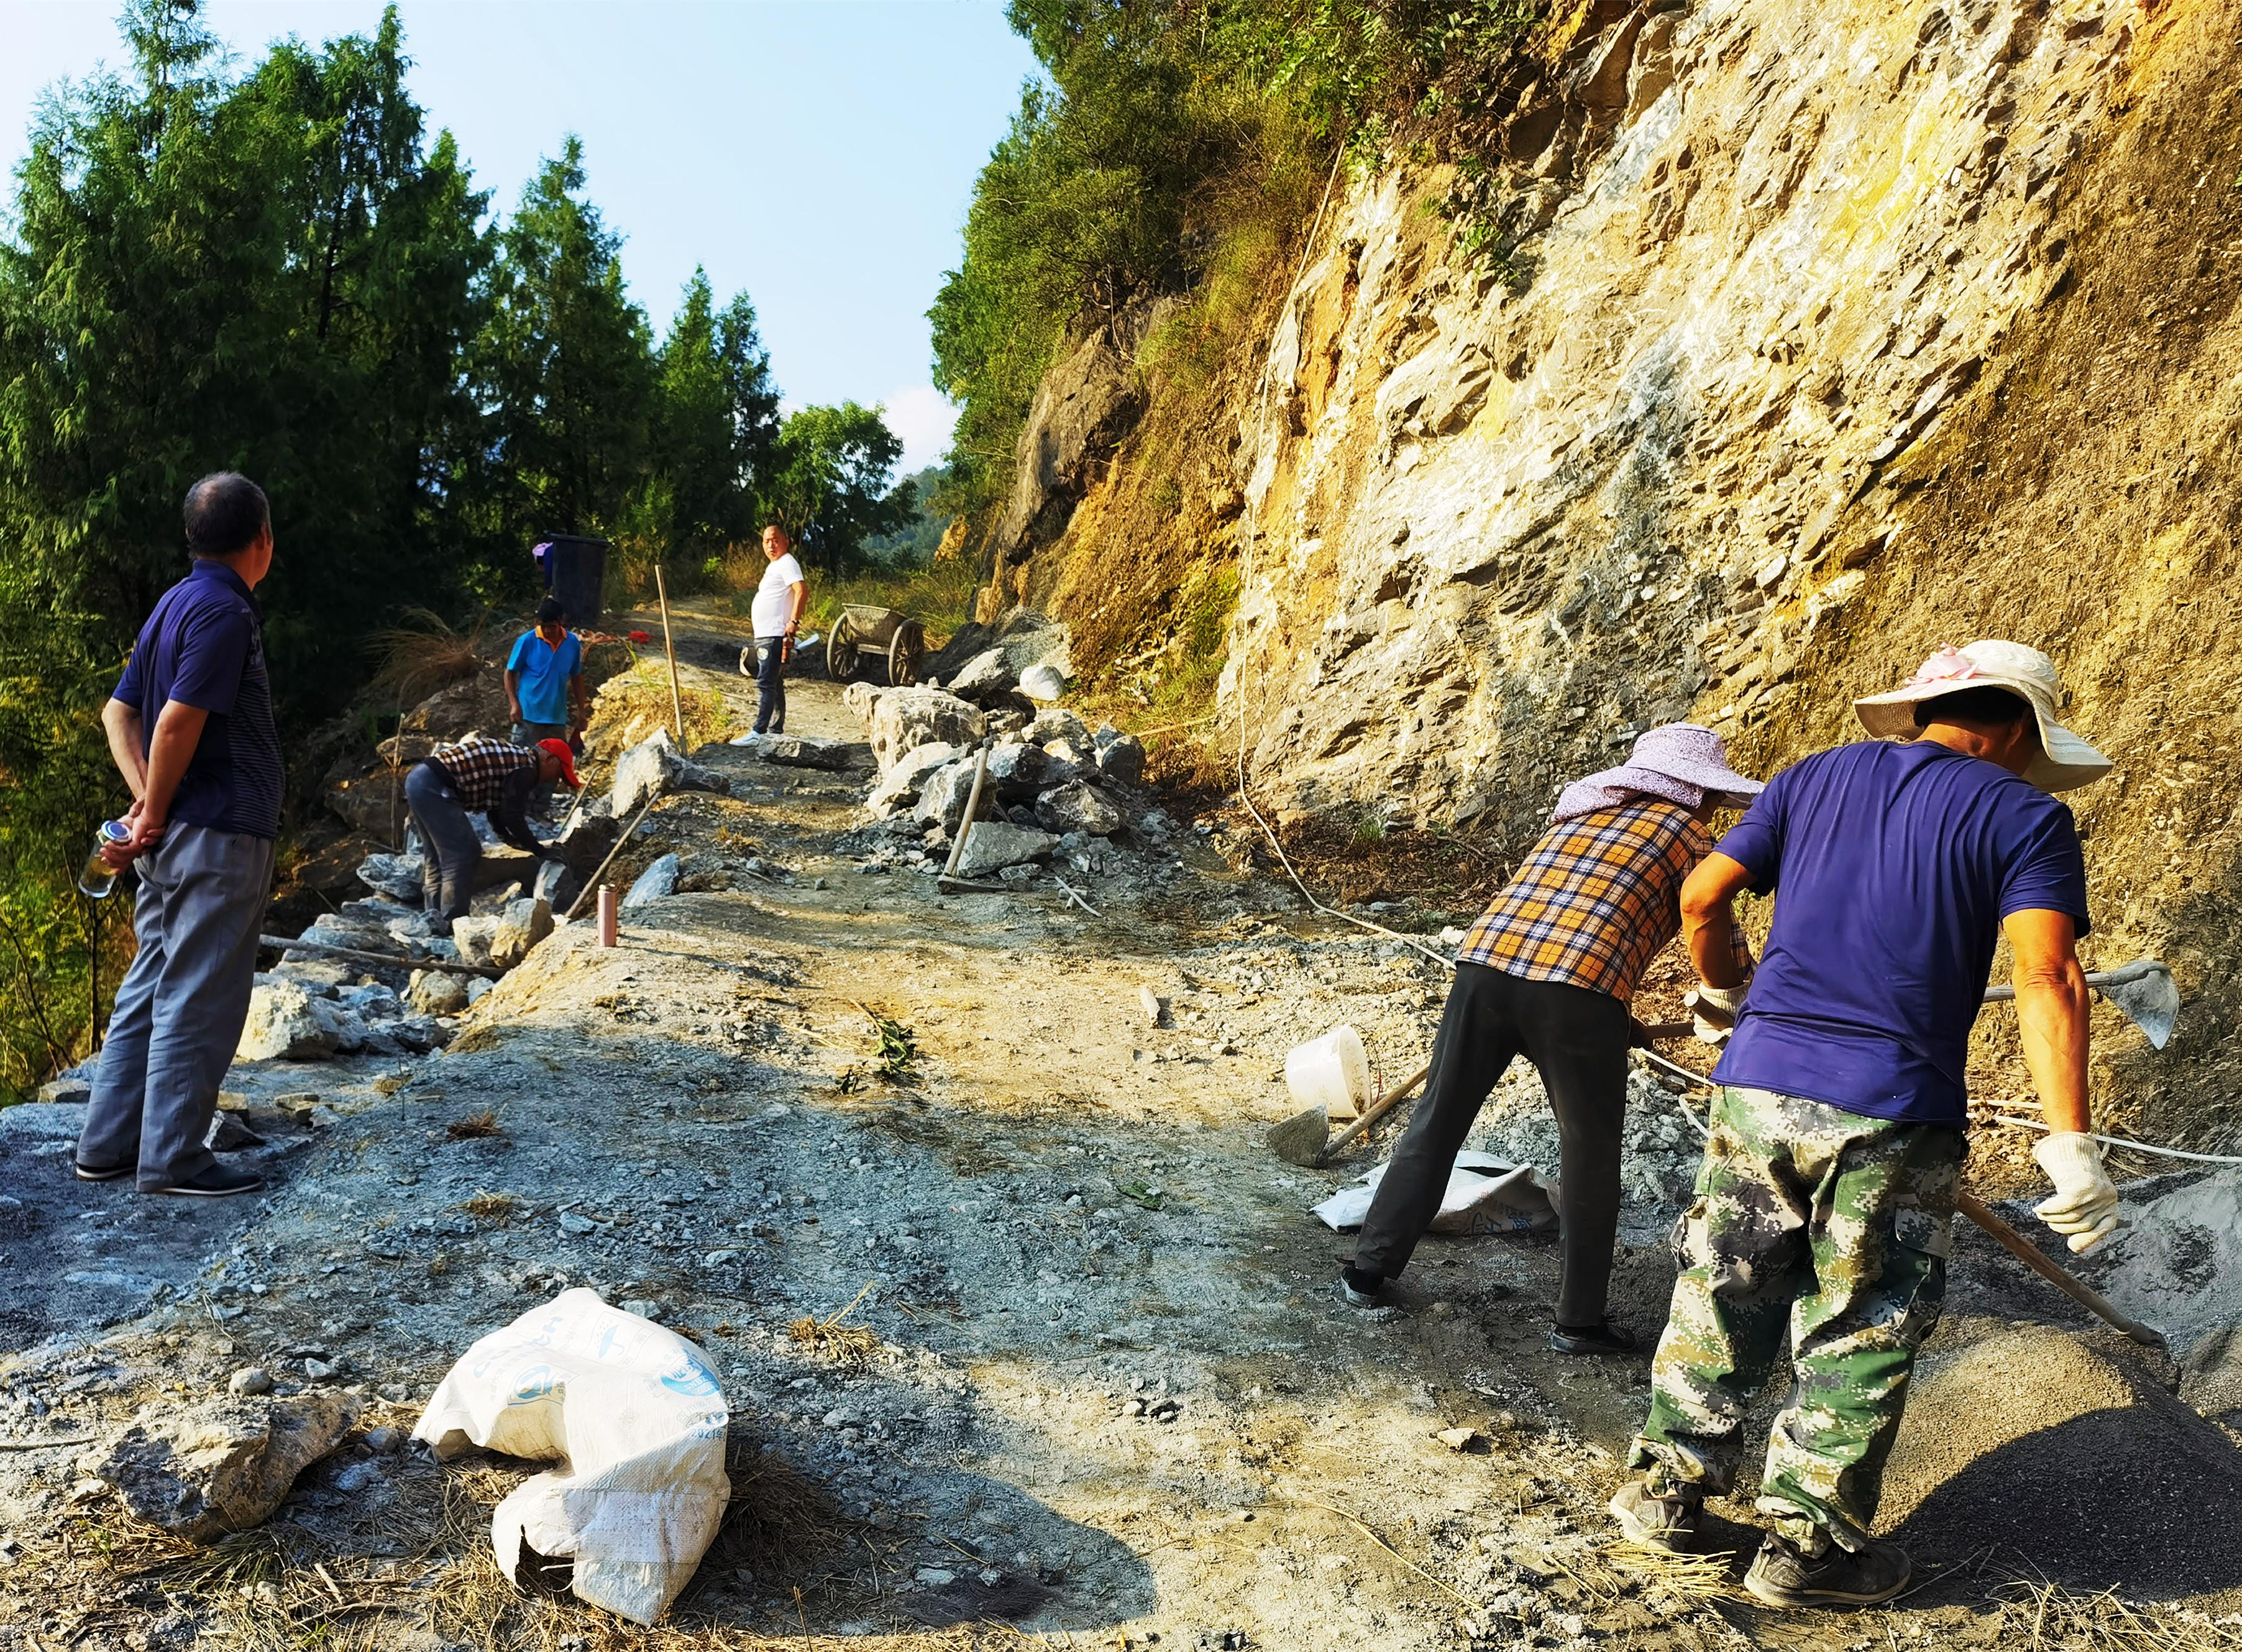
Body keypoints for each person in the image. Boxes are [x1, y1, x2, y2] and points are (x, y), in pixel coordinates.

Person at [1608, 639, 2117, 1610]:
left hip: (1756, 1081)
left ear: (1929, 709)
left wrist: (1721, 985)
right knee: (1862, 1317)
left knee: (1725, 1281)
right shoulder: (2025, 816)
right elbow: (2051, 975)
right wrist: (2068, 1138)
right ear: (2013, 723)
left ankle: (1666, 1492)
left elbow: (1702, 894)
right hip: (1890, 1102)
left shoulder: (1811, 776)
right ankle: (1806, 1546)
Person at [1343, 724, 1763, 1353]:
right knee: (1588, 1155)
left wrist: (1618, 1019)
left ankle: (1365, 1272)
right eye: (1708, 794)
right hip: (1577, 992)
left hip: (1483, 969)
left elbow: (1560, 917)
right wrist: (1733, 1004)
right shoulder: (1687, 834)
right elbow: (1717, 944)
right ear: (1693, 790)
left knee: (1436, 1122)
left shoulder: (1579, 816)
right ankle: (1578, 1322)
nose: (1709, 806)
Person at [75, 473, 285, 1198]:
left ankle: (107, 1146)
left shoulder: (173, 603)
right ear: (260, 541)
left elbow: (117, 715)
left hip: (175, 838)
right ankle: (173, 1159)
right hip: (218, 831)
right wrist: (155, 806)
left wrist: (144, 807)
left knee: (150, 985)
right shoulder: (226, 613)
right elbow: (175, 722)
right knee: (200, 994)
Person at [406, 735, 579, 932]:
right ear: (551, 760)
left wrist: (513, 841)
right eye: (559, 773)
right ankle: (453, 923)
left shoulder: (516, 760)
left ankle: (434, 919)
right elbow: (513, 817)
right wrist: (539, 850)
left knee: (437, 856)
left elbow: (498, 812)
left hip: (419, 780)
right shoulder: (526, 770)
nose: (555, 781)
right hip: (435, 785)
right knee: (462, 853)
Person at [505, 596, 587, 750]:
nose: (548, 631)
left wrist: (582, 711)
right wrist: (514, 704)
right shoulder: (527, 641)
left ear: (561, 621)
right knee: (524, 764)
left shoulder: (572, 643)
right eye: (544, 627)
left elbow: (577, 677)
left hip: (556, 717)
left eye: (552, 626)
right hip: (528, 716)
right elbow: (509, 673)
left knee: (554, 764)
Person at [749, 522, 806, 735]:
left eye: (775, 540)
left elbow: (802, 590)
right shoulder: (775, 565)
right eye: (766, 541)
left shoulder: (787, 563)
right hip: (766, 633)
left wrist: (793, 622)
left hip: (774, 634)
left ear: (786, 542)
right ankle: (774, 729)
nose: (771, 545)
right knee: (774, 681)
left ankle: (758, 732)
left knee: (765, 683)